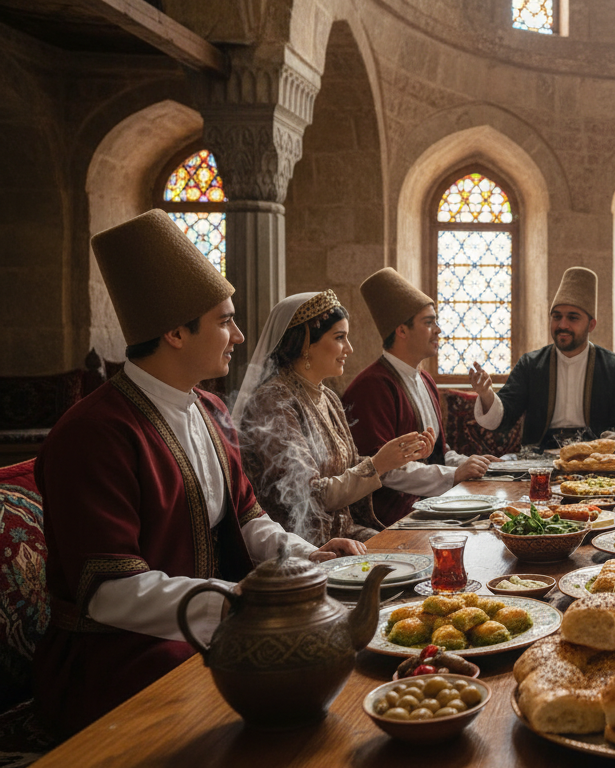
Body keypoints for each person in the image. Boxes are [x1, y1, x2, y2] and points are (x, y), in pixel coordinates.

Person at [34, 210, 364, 735]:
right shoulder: (93, 433)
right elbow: (109, 592)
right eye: (224, 321)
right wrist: (235, 603)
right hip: (119, 656)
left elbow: (250, 519)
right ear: (174, 332)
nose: (239, 336)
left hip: (217, 626)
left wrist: (307, 556)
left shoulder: (211, 410)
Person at [233, 290, 431, 545]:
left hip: (344, 532)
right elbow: (309, 495)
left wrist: (398, 456)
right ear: (306, 344)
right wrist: (377, 465)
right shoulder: (273, 401)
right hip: (303, 543)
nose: (349, 348)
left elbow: (350, 466)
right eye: (339, 337)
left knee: (418, 546)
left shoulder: (328, 397)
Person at [341, 268, 496, 525]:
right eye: (429, 322)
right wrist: (453, 475)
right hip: (393, 513)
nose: (438, 330)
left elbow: (439, 454)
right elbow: (384, 470)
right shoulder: (372, 386)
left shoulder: (425, 379)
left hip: (430, 501)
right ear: (402, 330)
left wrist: (472, 464)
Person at [467, 266, 615, 451]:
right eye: (556, 317)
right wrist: (486, 394)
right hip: (539, 456)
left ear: (591, 325)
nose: (562, 325)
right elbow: (505, 415)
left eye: (573, 318)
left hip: (594, 457)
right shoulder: (531, 364)